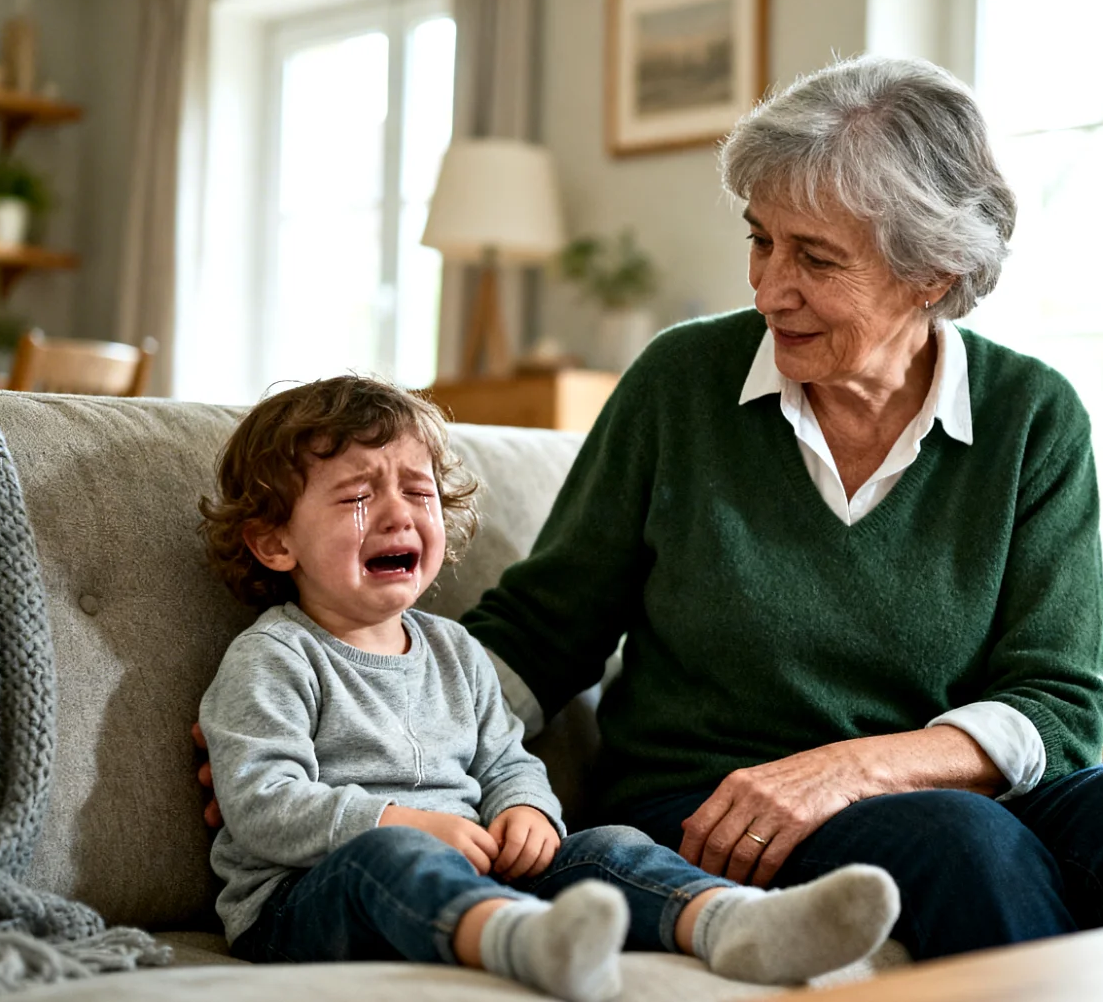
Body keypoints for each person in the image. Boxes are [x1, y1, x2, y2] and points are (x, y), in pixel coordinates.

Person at [455, 55, 1103, 960]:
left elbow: (1062, 702)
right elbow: (542, 627)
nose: (767, 289)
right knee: (960, 840)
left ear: (932, 270)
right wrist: (378, 734)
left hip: (935, 791)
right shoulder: (681, 384)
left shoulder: (1031, 414)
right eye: (761, 240)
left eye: (815, 258)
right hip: (717, 808)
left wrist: (852, 770)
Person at [194, 376, 900, 1002]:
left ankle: (737, 922)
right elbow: (261, 801)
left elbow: (506, 760)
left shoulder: (456, 650)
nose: (398, 513)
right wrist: (398, 822)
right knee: (393, 860)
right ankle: (527, 944)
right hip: (307, 899)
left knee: (607, 843)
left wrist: (525, 808)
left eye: (418, 489)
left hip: (476, 871)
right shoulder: (274, 656)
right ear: (274, 543)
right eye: (356, 495)